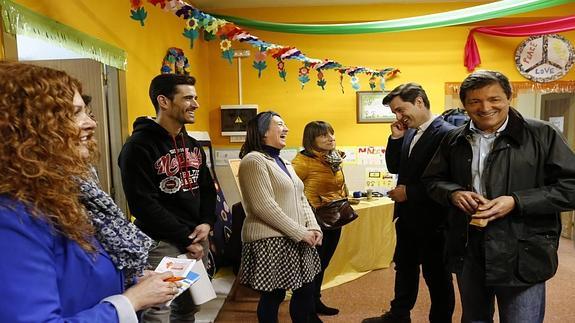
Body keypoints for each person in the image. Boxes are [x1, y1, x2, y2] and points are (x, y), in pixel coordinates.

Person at [0, 61, 180, 322]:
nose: (91, 123)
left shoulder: (67, 193)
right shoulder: (13, 216)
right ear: (24, 128)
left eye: (86, 111)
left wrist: (130, 282)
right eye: (74, 113)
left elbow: (75, 278)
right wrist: (131, 301)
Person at [422, 70, 575, 323]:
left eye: (494, 99)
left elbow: (571, 186)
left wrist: (517, 201)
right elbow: (432, 180)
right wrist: (453, 194)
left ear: (508, 97)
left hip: (523, 250)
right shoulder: (453, 139)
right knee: (474, 319)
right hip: (469, 247)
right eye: (475, 101)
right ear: (465, 104)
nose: (485, 107)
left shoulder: (542, 134)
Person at [118, 73, 217, 322]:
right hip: (161, 243)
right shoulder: (138, 146)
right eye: (188, 98)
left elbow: (206, 187)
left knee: (189, 307)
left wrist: (206, 222)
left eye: (195, 98)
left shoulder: (193, 144)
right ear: (164, 101)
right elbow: (143, 204)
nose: (195, 104)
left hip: (195, 238)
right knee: (158, 312)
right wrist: (185, 239)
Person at [363, 83, 455, 323]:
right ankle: (399, 314)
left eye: (401, 110)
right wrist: (395, 138)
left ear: (419, 102)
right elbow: (395, 167)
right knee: (404, 269)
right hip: (406, 218)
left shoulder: (447, 133)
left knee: (437, 277)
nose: (399, 116)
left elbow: (452, 180)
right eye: (394, 112)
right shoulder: (410, 132)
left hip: (434, 220)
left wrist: (410, 193)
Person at [238, 111, 323, 323]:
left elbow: (301, 197)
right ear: (262, 131)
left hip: (295, 237)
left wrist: (314, 227)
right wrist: (300, 232)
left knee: (306, 289)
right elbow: (263, 206)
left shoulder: (283, 162)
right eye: (279, 124)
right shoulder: (253, 160)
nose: (286, 129)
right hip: (270, 240)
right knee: (274, 294)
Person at [291, 121, 348, 318]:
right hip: (313, 221)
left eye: (331, 133)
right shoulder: (302, 162)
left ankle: (315, 301)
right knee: (311, 267)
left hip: (334, 217)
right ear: (311, 139)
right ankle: (307, 310)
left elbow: (338, 185)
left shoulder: (334, 158)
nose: (330, 138)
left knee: (323, 263)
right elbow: (291, 191)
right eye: (324, 135)